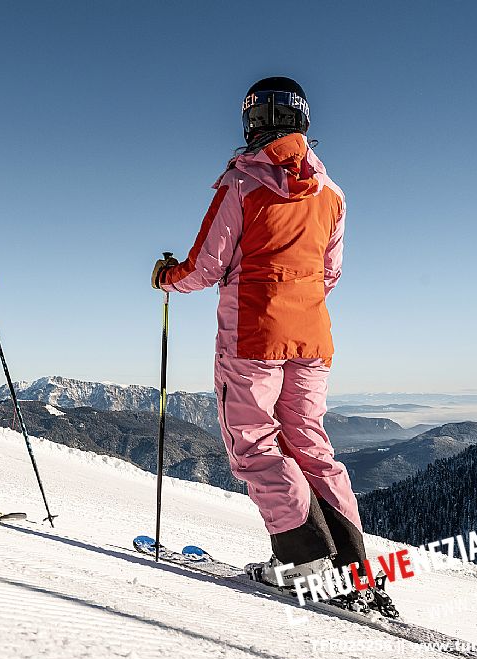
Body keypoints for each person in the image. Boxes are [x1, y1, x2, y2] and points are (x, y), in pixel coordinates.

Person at [152, 77, 394, 615]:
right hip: (313, 333)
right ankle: (354, 568)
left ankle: (303, 563)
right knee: (310, 442)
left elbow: (207, 265)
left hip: (254, 332)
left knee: (255, 443)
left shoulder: (241, 184)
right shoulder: (332, 194)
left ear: (253, 123)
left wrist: (169, 278)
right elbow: (330, 272)